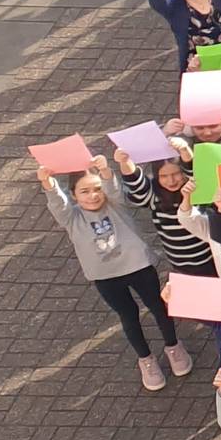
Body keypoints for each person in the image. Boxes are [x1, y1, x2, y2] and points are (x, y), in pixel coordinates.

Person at [39, 159, 186, 389]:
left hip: (138, 266)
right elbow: (58, 203)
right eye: (84, 191)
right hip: (105, 277)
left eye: (97, 189)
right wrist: (48, 183)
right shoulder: (72, 217)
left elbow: (114, 188)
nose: (93, 195)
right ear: (74, 195)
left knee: (159, 306)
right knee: (129, 315)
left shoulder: (115, 203)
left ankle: (173, 346)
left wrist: (106, 171)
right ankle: (146, 360)